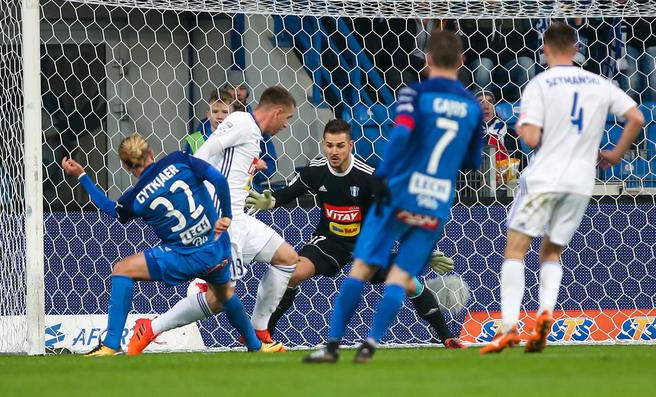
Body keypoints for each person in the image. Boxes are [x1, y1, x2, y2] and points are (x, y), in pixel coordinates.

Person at [303, 29, 484, 364]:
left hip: (400, 192)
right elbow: (474, 161)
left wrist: (382, 178)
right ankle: (370, 345)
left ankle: (331, 347)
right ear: (462, 61)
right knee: (402, 279)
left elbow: (400, 138)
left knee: (361, 267)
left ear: (427, 59)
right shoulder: (472, 107)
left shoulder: (414, 94)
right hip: (436, 201)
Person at [480, 22, 644, 355]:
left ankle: (510, 328)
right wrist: (613, 153)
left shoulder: (540, 84)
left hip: (544, 177)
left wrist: (528, 129)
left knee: (516, 247)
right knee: (552, 251)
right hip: (581, 181)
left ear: (544, 49)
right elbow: (637, 118)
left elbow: (530, 139)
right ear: (576, 48)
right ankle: (545, 317)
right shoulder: (599, 83)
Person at [245, 118, 464, 348]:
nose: (334, 151)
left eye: (340, 145)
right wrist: (269, 203)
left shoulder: (369, 176)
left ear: (351, 145)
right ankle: (262, 337)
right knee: (293, 274)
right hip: (329, 241)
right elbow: (288, 194)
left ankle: (445, 335)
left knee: (409, 282)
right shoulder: (315, 171)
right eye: (329, 145)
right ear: (323, 144)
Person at [60, 133, 283, 356]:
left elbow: (111, 209)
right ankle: (255, 345)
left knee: (122, 269)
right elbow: (219, 179)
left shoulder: (136, 198)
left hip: (182, 258)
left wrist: (81, 176)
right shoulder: (179, 159)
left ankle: (110, 344)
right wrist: (225, 215)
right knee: (225, 295)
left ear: (125, 166)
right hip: (216, 250)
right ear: (151, 153)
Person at [128, 86, 299, 354]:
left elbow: (229, 165)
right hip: (223, 221)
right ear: (277, 112)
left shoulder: (251, 132)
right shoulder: (241, 121)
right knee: (219, 299)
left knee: (287, 258)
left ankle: (259, 330)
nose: (287, 126)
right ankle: (151, 328)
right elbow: (205, 151)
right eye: (287, 119)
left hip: (241, 218)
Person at [184, 89, 234, 155]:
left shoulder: (236, 140)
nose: (220, 116)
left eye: (225, 112)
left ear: (232, 115)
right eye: (215, 112)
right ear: (208, 115)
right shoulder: (194, 140)